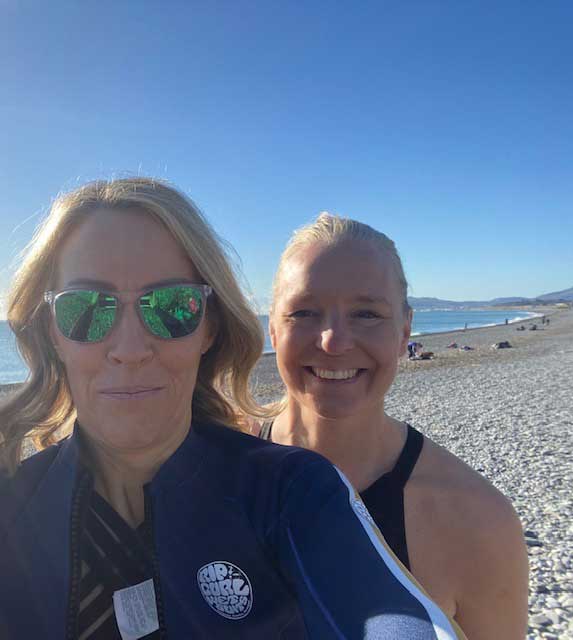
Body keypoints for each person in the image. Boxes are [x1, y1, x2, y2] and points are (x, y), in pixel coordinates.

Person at [0, 179, 466, 639]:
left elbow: (388, 617)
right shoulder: (12, 506)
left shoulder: (290, 493)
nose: (130, 349)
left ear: (209, 327)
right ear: (50, 332)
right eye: (85, 309)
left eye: (171, 306)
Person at [259, 213, 528, 639]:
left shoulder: (478, 522)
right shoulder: (210, 464)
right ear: (273, 328)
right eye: (304, 312)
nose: (333, 341)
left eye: (366, 314)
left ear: (405, 331)